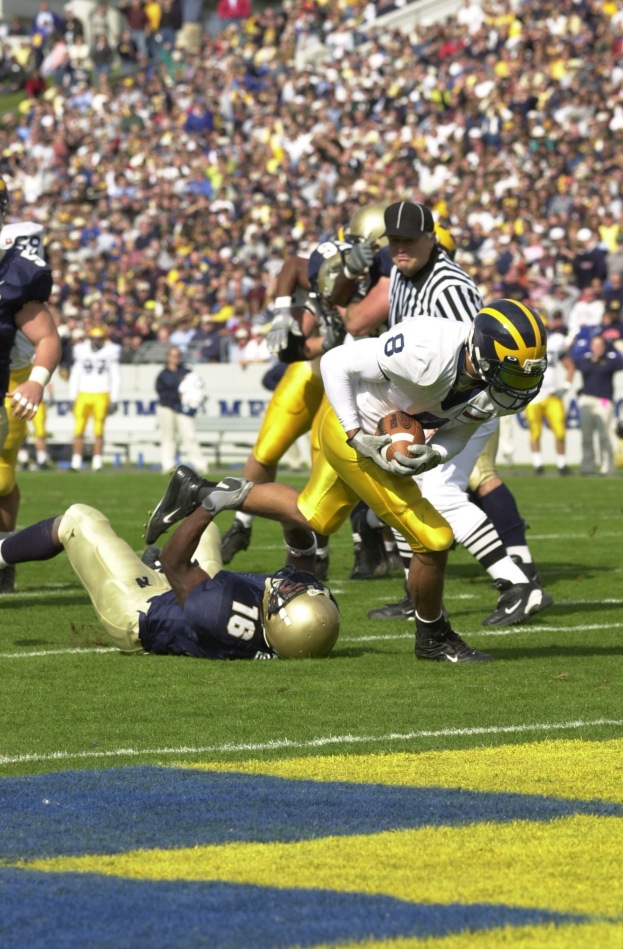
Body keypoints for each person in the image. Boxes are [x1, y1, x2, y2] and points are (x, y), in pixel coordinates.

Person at [146, 299, 549, 662]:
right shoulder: (427, 348)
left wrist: (437, 453)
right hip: (352, 429)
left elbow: (461, 428)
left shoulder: (492, 385)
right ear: (479, 356)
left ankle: (207, 493)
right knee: (434, 538)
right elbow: (334, 363)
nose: (519, 386)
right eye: (511, 373)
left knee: (314, 517)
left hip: (378, 436)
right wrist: (358, 435)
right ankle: (434, 637)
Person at [335, 203, 550, 625]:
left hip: (464, 401)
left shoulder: (450, 287)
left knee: (441, 495)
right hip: (429, 401)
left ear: (431, 237)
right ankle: (415, 592)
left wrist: (440, 421)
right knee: (400, 485)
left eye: (409, 240)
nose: (400, 249)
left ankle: (518, 583)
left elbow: (473, 362)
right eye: (393, 240)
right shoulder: (398, 269)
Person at [0, 481, 339, 660]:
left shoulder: (220, 613)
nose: (285, 585)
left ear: (277, 623)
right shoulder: (300, 628)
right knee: (204, 534)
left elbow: (178, 564)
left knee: (77, 519)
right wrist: (290, 519)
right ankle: (156, 560)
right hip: (191, 592)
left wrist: (212, 504)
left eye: (285, 595)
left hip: (141, 611)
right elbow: (302, 558)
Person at [0, 194, 61, 595]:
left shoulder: (14, 274)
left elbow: (48, 337)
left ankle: (4, 555)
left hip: (7, 385)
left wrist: (36, 380)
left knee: (3, 480)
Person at [523, 311, 572, 475]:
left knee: (560, 431)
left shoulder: (556, 341)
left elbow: (569, 365)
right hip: (533, 396)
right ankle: (538, 464)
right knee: (535, 432)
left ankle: (562, 464)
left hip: (551, 394)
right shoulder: (525, 343)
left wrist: (565, 386)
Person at [69, 326, 121, 471]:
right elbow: (75, 374)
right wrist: (72, 396)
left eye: (100, 338)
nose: (97, 341)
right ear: (90, 339)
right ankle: (76, 462)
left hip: (102, 393)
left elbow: (116, 376)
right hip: (83, 393)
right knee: (78, 429)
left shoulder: (111, 351)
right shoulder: (81, 350)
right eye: (95, 338)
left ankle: (97, 463)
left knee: (98, 430)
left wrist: (114, 398)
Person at [574, 335, 623, 476]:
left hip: (604, 400)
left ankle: (607, 466)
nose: (598, 348)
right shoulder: (584, 361)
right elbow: (570, 360)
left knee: (604, 435)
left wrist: (618, 345)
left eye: (601, 345)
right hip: (587, 399)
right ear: (591, 346)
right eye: (595, 345)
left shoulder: (610, 361)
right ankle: (587, 466)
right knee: (586, 436)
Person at [155, 345, 207, 475]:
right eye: (172, 356)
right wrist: (176, 396)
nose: (175, 359)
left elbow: (197, 387)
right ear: (168, 358)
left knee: (190, 436)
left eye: (177, 356)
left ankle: (200, 465)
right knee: (168, 438)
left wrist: (191, 400)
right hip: (167, 407)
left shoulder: (187, 372)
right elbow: (161, 392)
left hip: (184, 409)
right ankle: (168, 465)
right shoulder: (163, 374)